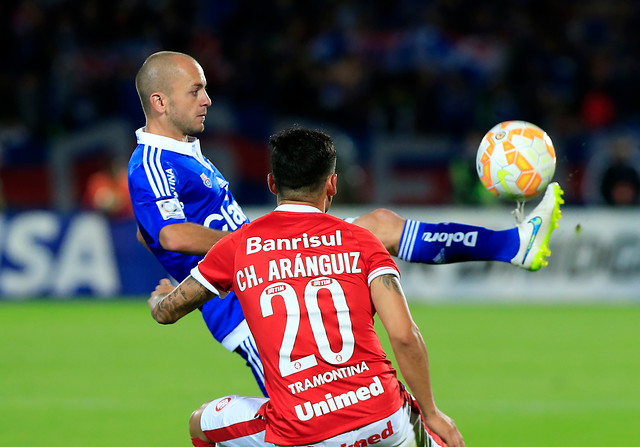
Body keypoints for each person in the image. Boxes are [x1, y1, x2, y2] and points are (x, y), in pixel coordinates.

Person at [128, 51, 563, 397]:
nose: (207, 99)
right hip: (246, 304)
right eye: (195, 91)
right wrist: (247, 246)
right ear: (160, 102)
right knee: (309, 420)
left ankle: (512, 245)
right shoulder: (151, 161)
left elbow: (149, 231)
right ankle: (511, 246)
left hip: (263, 269)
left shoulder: (183, 151)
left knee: (380, 223)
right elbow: (170, 233)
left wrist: (184, 275)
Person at [148, 127, 465, 447]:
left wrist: (160, 298)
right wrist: (432, 412)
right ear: (332, 184)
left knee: (199, 422)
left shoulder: (238, 246)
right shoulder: (363, 241)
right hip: (384, 416)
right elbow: (403, 336)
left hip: (303, 429)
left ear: (272, 182)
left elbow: (167, 312)